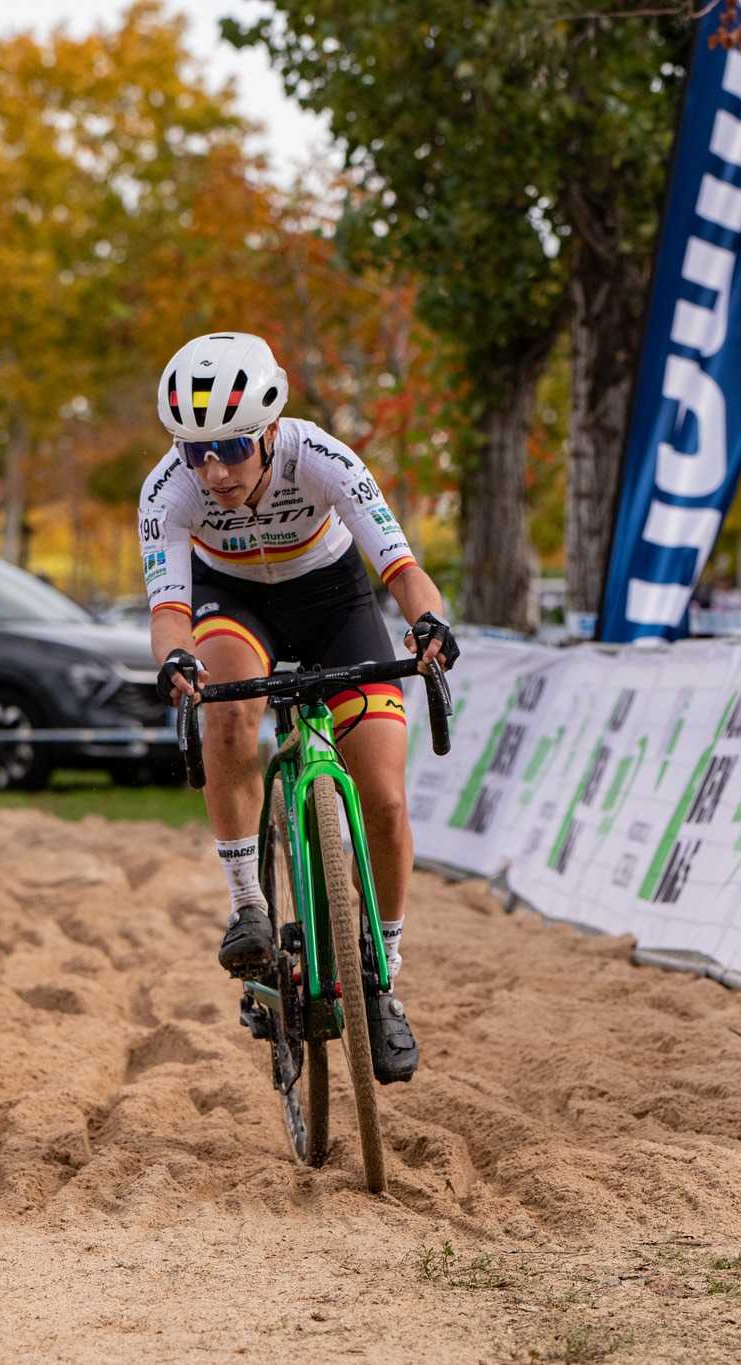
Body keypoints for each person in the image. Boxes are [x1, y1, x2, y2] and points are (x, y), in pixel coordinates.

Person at [137, 331, 459, 1085]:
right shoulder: (167, 490)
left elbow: (403, 569)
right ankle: (247, 901)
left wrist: (429, 623)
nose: (214, 472)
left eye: (232, 449)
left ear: (271, 429)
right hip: (235, 600)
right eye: (196, 452)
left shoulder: (321, 456)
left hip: (332, 599)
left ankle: (381, 974)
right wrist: (175, 659)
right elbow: (167, 612)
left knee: (382, 797)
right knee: (226, 705)